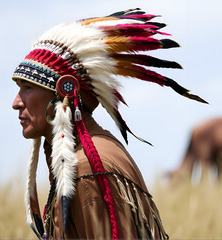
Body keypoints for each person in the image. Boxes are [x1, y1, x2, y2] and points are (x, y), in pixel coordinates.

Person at [11, 8, 206, 240]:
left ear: (64, 92)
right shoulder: (89, 154)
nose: (16, 103)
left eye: (28, 87)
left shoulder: (87, 167)